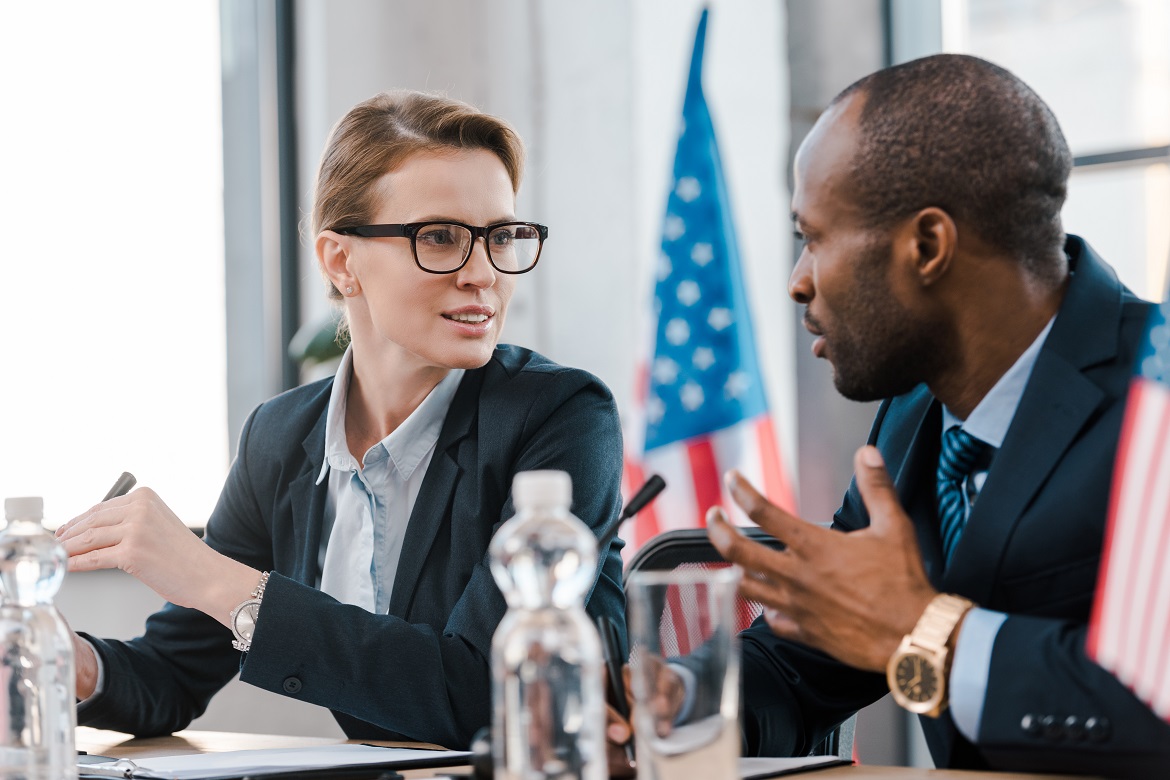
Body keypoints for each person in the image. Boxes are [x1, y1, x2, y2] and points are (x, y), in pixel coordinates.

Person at [607, 54, 1170, 776]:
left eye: (814, 237)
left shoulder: (1154, 389)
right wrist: (677, 700)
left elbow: (1150, 699)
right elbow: (814, 659)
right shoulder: (913, 408)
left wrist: (923, 629)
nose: (797, 282)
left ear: (927, 247)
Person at [55, 90, 627, 749]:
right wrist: (63, 657)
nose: (482, 274)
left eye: (501, 236)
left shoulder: (560, 418)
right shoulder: (281, 437)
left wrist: (216, 580)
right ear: (340, 260)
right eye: (440, 237)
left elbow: (488, 695)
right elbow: (172, 675)